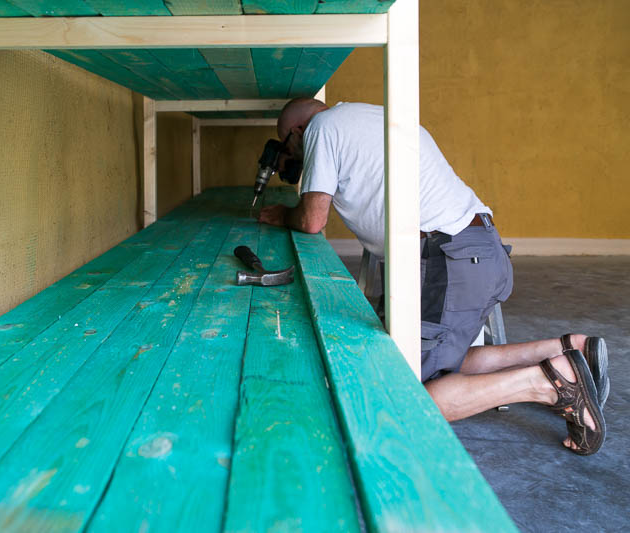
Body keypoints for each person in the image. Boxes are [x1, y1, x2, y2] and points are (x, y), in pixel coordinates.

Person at [259, 98, 609, 455]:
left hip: (449, 261)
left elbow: (312, 220)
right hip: (478, 251)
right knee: (430, 354)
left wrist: (283, 214)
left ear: (297, 131)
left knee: (400, 387)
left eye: (288, 144)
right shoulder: (368, 117)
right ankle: (570, 350)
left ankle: (549, 383)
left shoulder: (322, 127)